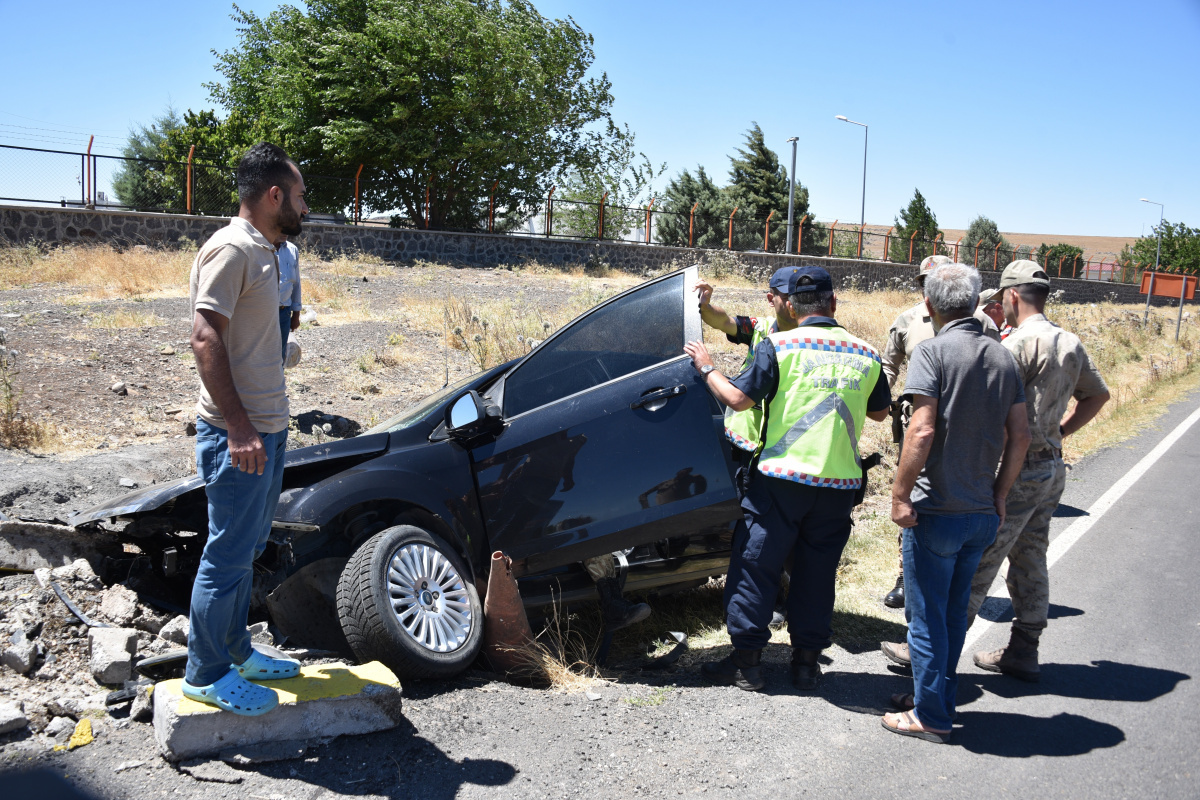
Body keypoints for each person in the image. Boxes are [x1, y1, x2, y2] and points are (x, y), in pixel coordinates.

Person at [684, 265, 891, 691]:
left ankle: (747, 664)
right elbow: (879, 412)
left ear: (792, 308)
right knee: (817, 575)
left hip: (779, 482)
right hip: (838, 488)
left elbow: (738, 399)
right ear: (834, 303)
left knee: (756, 567)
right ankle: (806, 665)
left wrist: (706, 367)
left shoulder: (779, 346)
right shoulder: (867, 353)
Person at [182, 142, 309, 716]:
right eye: (299, 195)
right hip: (239, 434)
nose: (305, 206)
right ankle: (206, 674)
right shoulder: (231, 249)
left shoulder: (273, 251)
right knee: (228, 553)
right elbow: (204, 337)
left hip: (270, 427)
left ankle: (236, 652)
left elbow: (268, 334)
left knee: (248, 546)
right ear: (274, 195)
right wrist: (237, 427)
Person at [881, 262, 1030, 744]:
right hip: (981, 512)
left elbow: (921, 430)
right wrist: (1000, 494)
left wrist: (900, 494)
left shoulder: (932, 352)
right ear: (974, 303)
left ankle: (931, 716)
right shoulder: (1003, 356)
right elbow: (1021, 436)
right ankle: (936, 698)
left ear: (929, 305)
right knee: (951, 615)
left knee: (926, 619)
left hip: (936, 511)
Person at [967, 261, 1109, 681]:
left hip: (1014, 469)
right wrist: (1060, 432)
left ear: (1012, 295)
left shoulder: (1015, 346)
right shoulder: (1069, 341)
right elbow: (1098, 396)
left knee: (976, 560)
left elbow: (992, 415)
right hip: (1050, 467)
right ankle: (1024, 650)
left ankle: (931, 655)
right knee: (1030, 557)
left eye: (1003, 299)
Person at [878, 255, 1002, 609]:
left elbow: (994, 367)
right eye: (923, 281)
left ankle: (958, 571)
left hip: (967, 426)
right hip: (917, 424)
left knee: (960, 493)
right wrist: (876, 399)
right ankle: (907, 575)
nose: (927, 288)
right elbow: (889, 366)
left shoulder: (980, 322)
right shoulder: (907, 320)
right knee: (913, 494)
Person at [275, 237, 302, 364]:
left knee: (279, 358)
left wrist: (296, 314)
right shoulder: (260, 247)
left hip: (283, 312)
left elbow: (296, 284)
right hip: (262, 312)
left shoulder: (292, 249)